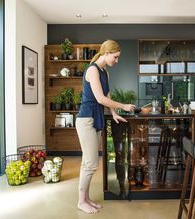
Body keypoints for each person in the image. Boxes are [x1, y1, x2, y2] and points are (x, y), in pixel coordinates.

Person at [76, 39, 135, 214]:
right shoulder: (93, 70)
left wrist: (114, 113)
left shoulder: (104, 72)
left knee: (87, 162)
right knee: (91, 163)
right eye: (115, 57)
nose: (116, 61)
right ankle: (81, 201)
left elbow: (106, 94)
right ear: (106, 52)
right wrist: (123, 106)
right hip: (86, 119)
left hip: (96, 118)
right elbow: (100, 98)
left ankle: (86, 198)